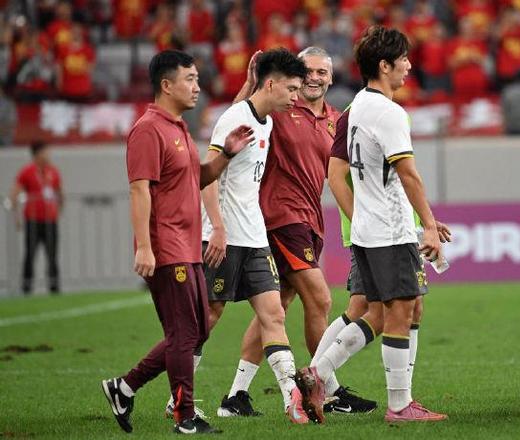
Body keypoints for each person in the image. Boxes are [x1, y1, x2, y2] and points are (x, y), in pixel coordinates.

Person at [208, 47, 377, 418]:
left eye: (321, 72)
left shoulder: (336, 120)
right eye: (308, 71)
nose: (314, 78)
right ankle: (325, 387)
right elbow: (240, 119)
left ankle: (236, 396)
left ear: (331, 78)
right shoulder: (283, 107)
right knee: (320, 299)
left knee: (276, 308)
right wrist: (249, 84)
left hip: (311, 221)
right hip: (281, 218)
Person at [296, 25, 451, 424]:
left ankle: (317, 374)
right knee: (400, 310)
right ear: (384, 65)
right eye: (403, 60)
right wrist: (427, 225)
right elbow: (408, 174)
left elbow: (351, 173)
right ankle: (400, 405)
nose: (409, 66)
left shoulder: (355, 109)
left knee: (384, 312)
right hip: (390, 229)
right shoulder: (389, 113)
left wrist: (419, 220)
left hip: (368, 229)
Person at [100, 50, 255, 435]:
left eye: (197, 78)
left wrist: (226, 155)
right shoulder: (147, 130)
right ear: (167, 85)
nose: (197, 86)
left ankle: (124, 387)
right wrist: (144, 245)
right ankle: (185, 417)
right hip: (167, 248)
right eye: (190, 79)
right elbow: (139, 189)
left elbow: (197, 178)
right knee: (185, 334)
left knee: (197, 330)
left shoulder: (179, 128)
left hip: (189, 246)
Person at [194, 48, 320, 424]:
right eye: (292, 89)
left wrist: (249, 84)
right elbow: (208, 177)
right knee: (209, 315)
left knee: (273, 313)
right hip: (224, 236)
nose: (296, 96)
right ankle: (177, 396)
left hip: (254, 236)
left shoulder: (264, 120)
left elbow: (247, 110)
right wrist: (217, 228)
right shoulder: (234, 119)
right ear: (270, 85)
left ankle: (291, 398)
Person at [9, 141, 62, 294]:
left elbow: (60, 193)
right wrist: (17, 217)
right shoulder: (27, 172)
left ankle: (54, 287)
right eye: (46, 152)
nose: (48, 155)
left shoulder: (53, 171)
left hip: (50, 220)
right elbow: (14, 194)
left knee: (52, 255)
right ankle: (26, 288)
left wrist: (57, 211)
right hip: (33, 221)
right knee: (30, 254)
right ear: (38, 153)